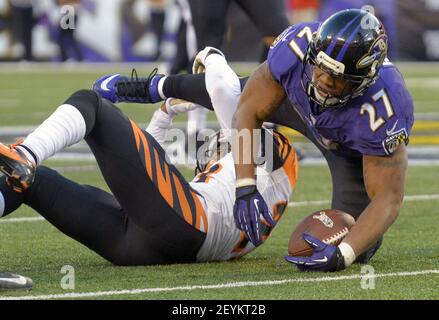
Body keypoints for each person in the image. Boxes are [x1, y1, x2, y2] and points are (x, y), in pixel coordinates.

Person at [92, 8, 414, 272]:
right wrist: (245, 186)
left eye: (337, 78)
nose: (324, 81)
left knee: (362, 244)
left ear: (363, 81)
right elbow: (247, 111)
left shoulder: (385, 109)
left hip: (345, 148)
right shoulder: (297, 50)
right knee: (229, 93)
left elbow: (388, 199)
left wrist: (344, 252)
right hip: (295, 103)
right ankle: (149, 88)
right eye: (320, 69)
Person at [0, 54, 298, 265]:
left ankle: (25, 153)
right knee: (28, 180)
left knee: (91, 104)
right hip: (148, 245)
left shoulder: (267, 150)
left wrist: (211, 55)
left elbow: (223, 88)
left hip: (184, 224)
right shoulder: (262, 179)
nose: (212, 149)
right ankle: (23, 162)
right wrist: (164, 114)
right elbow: (150, 182)